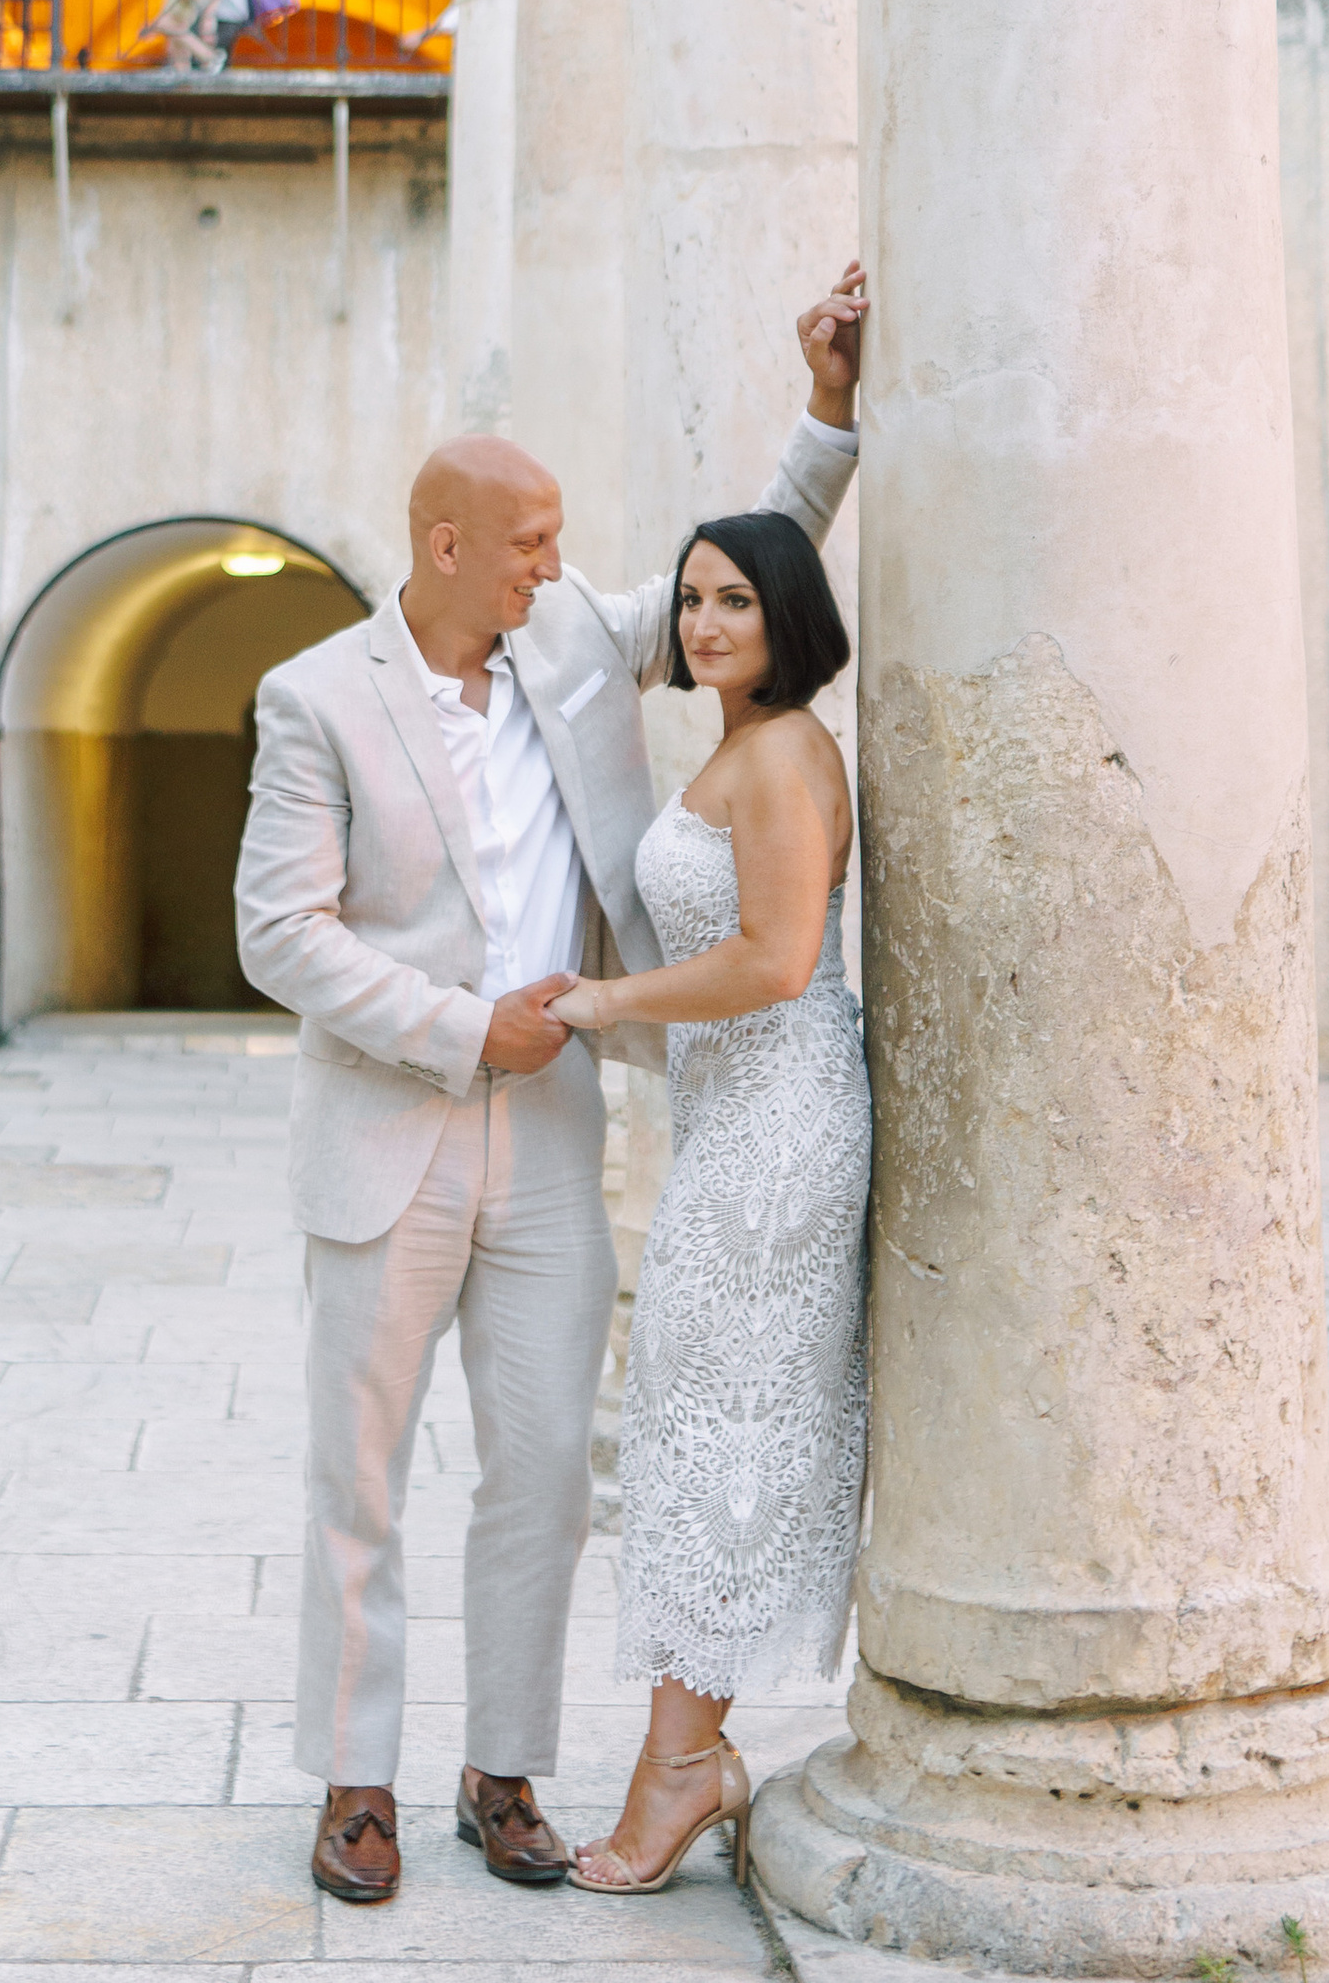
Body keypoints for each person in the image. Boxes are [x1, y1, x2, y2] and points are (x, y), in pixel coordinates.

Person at [232, 264, 868, 1909]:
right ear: (447, 547)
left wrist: (828, 405)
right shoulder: (315, 699)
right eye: (530, 542)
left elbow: (751, 576)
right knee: (356, 1478)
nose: (559, 564)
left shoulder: (576, 639)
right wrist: (461, 1028)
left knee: (539, 1475)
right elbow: (278, 932)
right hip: (393, 1131)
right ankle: (354, 1783)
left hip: (560, 1141)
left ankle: (498, 1773)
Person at [551, 509, 867, 1894]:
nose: (704, 623)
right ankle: (698, 1754)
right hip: (733, 1120)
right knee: (696, 1423)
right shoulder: (738, 744)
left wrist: (607, 1000)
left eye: (736, 599)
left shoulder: (788, 751)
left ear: (788, 612)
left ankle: (683, 1765)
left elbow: (779, 958)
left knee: (721, 1427)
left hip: (782, 1128)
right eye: (689, 601)